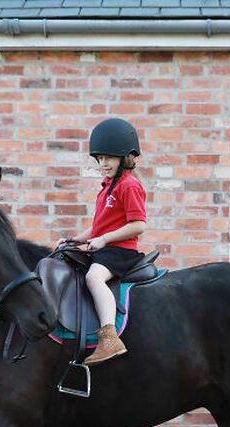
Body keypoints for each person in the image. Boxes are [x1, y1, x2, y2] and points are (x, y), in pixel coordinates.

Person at [61, 118, 148, 365]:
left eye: (109, 157)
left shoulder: (129, 186)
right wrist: (73, 240)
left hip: (120, 251)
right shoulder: (108, 187)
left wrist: (104, 239)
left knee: (93, 278)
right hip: (105, 248)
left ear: (126, 157)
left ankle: (109, 337)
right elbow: (99, 225)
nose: (103, 164)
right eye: (99, 158)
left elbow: (139, 224)